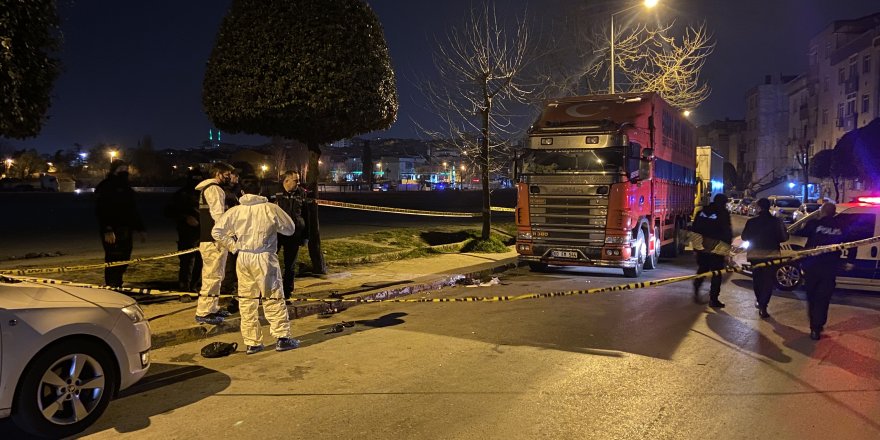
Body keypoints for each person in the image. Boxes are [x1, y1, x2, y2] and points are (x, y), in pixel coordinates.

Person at [211, 182, 300, 354]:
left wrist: (233, 246)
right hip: (265, 257)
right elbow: (289, 229)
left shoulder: (235, 211)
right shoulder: (270, 208)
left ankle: (252, 342)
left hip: (244, 258)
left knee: (246, 299)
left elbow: (217, 232)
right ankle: (282, 337)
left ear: (243, 192)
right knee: (273, 295)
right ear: (261, 191)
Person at [797, 203, 851, 340]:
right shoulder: (841, 225)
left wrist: (811, 217)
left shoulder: (815, 223)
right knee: (823, 298)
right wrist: (849, 260)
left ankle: (814, 326)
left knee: (812, 297)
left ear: (822, 211)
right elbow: (852, 244)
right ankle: (817, 325)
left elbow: (798, 231)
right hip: (829, 268)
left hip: (812, 267)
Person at [194, 162, 236, 325]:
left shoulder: (207, 189)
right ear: (218, 174)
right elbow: (219, 216)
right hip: (214, 241)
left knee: (216, 275)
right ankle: (204, 312)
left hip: (210, 240)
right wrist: (229, 235)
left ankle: (212, 308)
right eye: (227, 174)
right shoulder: (215, 189)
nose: (229, 177)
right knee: (212, 276)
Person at [95, 159, 145, 288]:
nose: (124, 171)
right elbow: (101, 209)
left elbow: (132, 210)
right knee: (113, 259)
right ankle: (112, 285)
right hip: (112, 230)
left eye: (125, 168)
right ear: (114, 170)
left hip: (126, 229)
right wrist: (107, 229)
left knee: (124, 258)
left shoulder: (127, 188)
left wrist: (140, 228)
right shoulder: (105, 186)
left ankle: (118, 283)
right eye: (120, 169)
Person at [741, 197, 789, 318]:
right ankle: (763, 305)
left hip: (755, 255)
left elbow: (744, 237)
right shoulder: (776, 222)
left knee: (757, 280)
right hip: (771, 255)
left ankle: (759, 301)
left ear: (759, 208)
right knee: (768, 281)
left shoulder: (752, 222)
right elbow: (784, 238)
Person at [164, 168, 203, 292]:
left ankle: (194, 286)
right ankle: (184, 289)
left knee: (200, 262)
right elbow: (169, 211)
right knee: (187, 263)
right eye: (194, 178)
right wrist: (185, 217)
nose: (196, 182)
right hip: (187, 234)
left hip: (203, 233)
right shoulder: (181, 194)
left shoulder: (206, 194)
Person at [690, 193, 733, 307]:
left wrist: (696, 248)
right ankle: (714, 299)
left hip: (703, 248)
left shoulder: (701, 212)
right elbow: (727, 233)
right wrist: (726, 251)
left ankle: (696, 289)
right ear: (724, 203)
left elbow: (695, 230)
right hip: (717, 249)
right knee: (717, 273)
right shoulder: (723, 214)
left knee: (702, 269)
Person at [274, 170, 309, 299]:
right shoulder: (274, 192)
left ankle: (287, 292)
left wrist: (306, 236)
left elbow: (306, 215)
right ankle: (270, 289)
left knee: (290, 265)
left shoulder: (301, 193)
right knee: (270, 262)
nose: (298, 183)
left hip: (294, 234)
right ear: (286, 180)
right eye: (296, 180)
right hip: (276, 234)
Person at [220, 169, 243, 313]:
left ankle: (233, 290)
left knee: (237, 265)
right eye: (232, 175)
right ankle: (226, 291)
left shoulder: (238, 191)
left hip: (239, 234)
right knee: (229, 264)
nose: (234, 178)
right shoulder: (223, 192)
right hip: (230, 234)